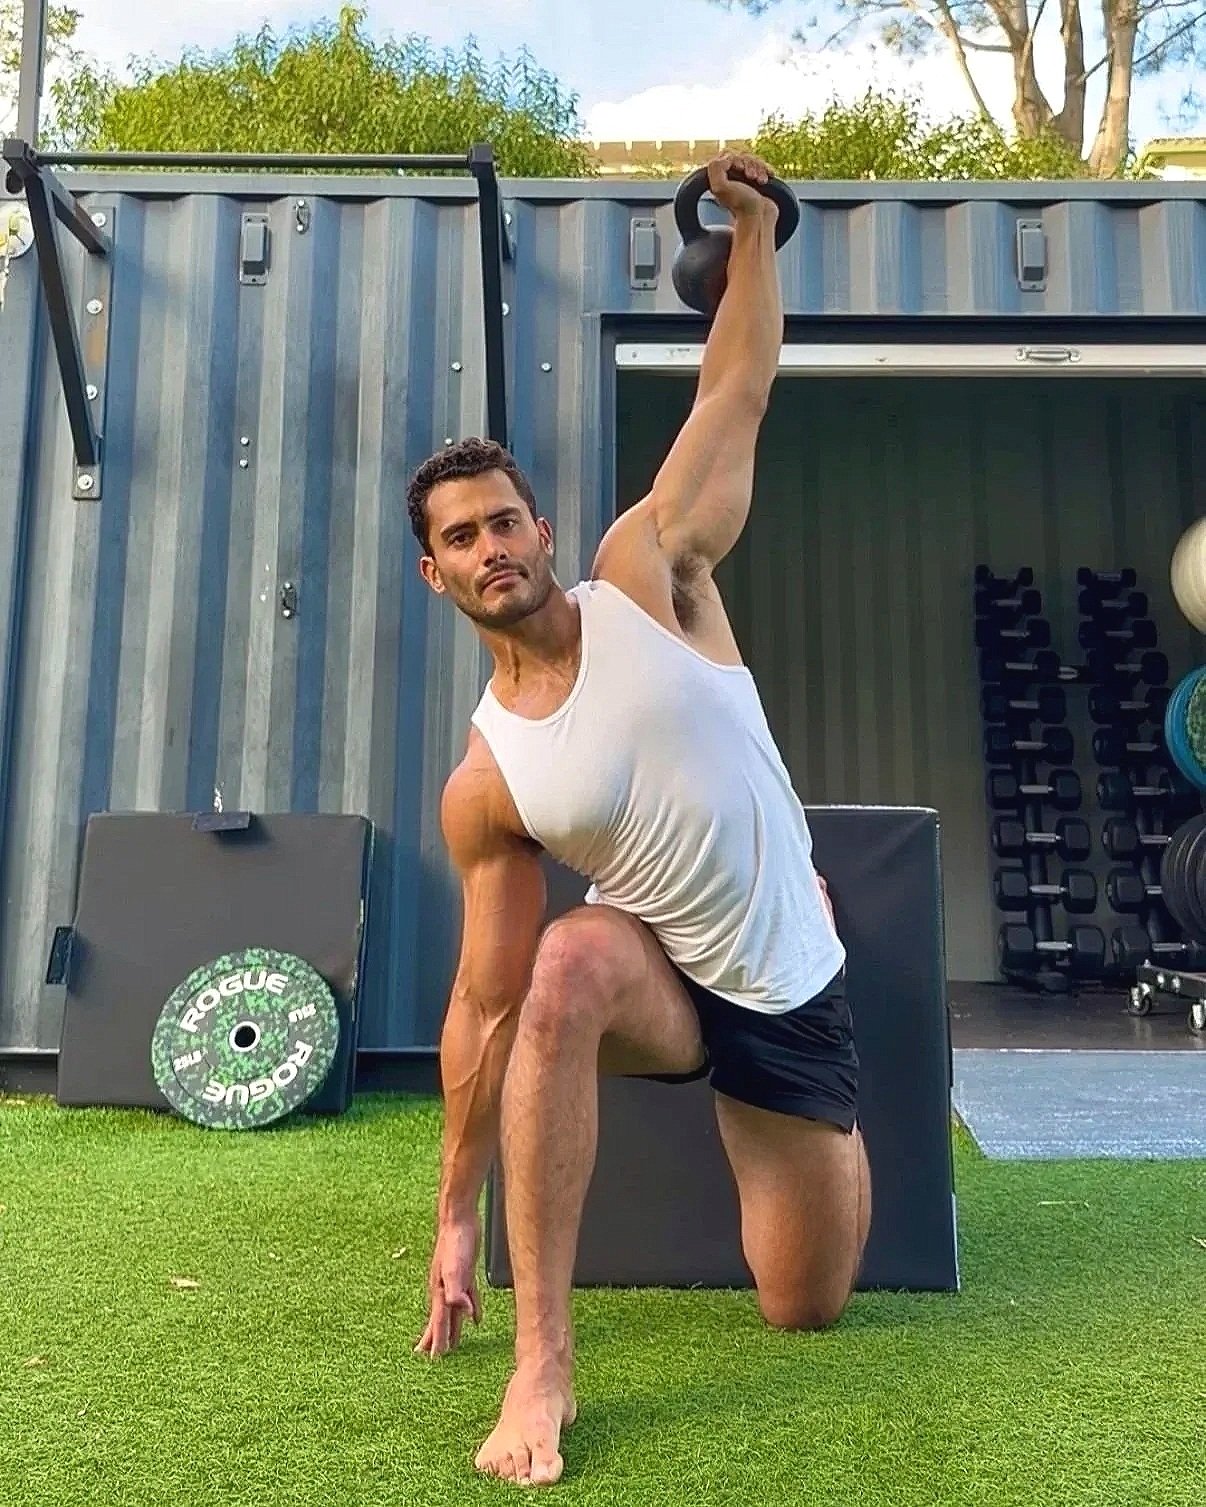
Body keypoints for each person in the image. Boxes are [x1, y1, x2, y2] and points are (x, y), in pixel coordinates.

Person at [404, 150, 871, 1488]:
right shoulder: (489, 782)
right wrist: (451, 1210)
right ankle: (543, 1360)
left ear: (542, 532)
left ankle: (827, 1118)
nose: (490, 549)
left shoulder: (644, 574)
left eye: (504, 522)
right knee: (555, 968)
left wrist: (760, 234)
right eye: (459, 539)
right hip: (653, 974)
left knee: (803, 1305)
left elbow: (736, 388)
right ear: (435, 575)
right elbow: (481, 1004)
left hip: (788, 987)